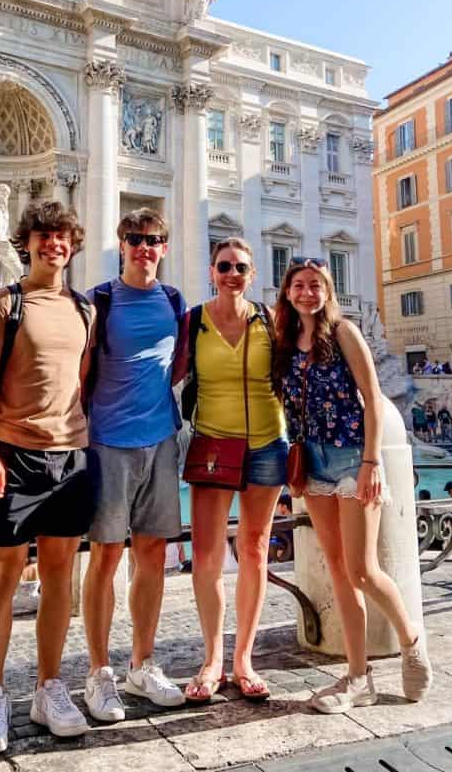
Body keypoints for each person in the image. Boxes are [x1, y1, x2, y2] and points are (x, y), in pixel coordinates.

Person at [275, 257, 432, 712]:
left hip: (350, 459)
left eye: (315, 284)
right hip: (313, 463)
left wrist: (371, 462)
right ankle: (358, 678)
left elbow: (373, 399)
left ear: (328, 291)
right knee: (340, 571)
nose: (307, 292)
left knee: (363, 570)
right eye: (299, 285)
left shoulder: (344, 332)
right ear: (288, 292)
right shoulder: (286, 341)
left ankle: (411, 640)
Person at [0, 201, 97, 754]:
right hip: (14, 452)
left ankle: (49, 687)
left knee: (60, 577)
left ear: (73, 244)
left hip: (71, 456)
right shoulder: (3, 304)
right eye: (44, 235)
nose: (54, 244)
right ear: (27, 243)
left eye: (62, 235)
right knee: (3, 572)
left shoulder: (85, 309)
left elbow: (80, 380)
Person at [82, 208, 186, 722]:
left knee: (152, 554)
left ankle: (142, 664)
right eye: (136, 239)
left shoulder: (173, 300)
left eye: (154, 240)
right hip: (108, 442)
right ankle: (98, 672)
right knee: (105, 556)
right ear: (121, 244)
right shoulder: (99, 300)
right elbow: (81, 366)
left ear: (164, 247)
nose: (145, 247)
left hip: (161, 440)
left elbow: (177, 364)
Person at [180, 237, 286, 703]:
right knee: (206, 555)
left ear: (252, 274)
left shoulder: (270, 320)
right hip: (212, 444)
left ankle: (244, 658)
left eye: (241, 267)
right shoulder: (193, 322)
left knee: (255, 550)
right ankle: (211, 659)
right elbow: (163, 372)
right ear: (212, 272)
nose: (232, 274)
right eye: (224, 266)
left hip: (267, 442)